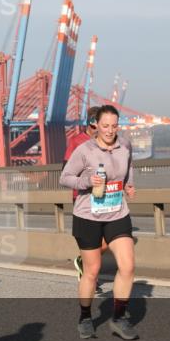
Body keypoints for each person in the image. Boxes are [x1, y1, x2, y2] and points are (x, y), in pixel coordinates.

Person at [60, 104, 139, 341]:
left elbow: (129, 168)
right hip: (88, 216)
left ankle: (119, 318)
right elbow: (65, 177)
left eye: (114, 126)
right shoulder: (85, 150)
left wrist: (129, 185)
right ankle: (85, 317)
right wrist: (86, 181)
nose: (110, 130)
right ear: (96, 125)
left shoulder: (124, 145)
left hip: (117, 213)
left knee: (128, 266)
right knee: (92, 272)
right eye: (105, 126)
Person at [66, 107, 105, 295]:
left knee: (109, 239)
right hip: (82, 197)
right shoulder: (76, 141)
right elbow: (66, 170)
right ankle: (91, 278)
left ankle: (83, 261)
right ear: (92, 123)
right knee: (91, 239)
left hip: (104, 196)